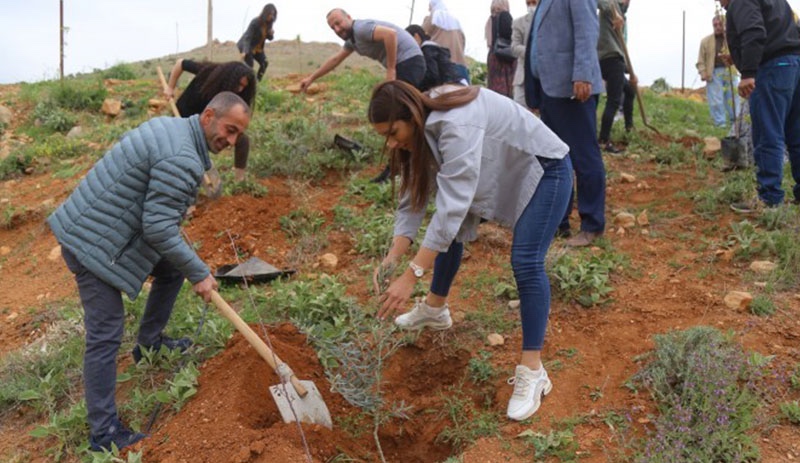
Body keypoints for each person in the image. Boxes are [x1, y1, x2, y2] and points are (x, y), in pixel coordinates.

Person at [47, 92, 251, 452]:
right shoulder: (182, 157)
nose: (231, 141)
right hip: (94, 246)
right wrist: (200, 273)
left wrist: (184, 256)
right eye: (229, 129)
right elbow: (157, 228)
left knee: (171, 268)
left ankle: (149, 344)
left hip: (96, 227)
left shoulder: (172, 128)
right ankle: (104, 433)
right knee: (105, 334)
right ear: (208, 116)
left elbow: (156, 212)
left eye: (238, 135)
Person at [368, 80, 572, 421]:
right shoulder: (422, 124)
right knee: (451, 233)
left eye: (393, 132)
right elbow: (412, 200)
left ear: (411, 115)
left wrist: (412, 274)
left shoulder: (454, 123)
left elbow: (451, 207)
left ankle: (533, 371)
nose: (391, 142)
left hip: (547, 171)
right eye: (384, 136)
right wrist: (392, 258)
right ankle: (435, 310)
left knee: (525, 261)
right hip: (500, 170)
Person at [524, 0, 606, 247]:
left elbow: (586, 31)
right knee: (555, 159)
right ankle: (559, 223)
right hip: (551, 90)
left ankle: (592, 225)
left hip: (573, 88)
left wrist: (582, 73)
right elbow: (537, 45)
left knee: (584, 157)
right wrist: (534, 91)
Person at [722, 0, 800, 213]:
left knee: (768, 134)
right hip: (793, 65)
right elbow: (788, 28)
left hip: (772, 69)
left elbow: (754, 31)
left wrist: (747, 72)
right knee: (796, 135)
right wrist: (740, 56)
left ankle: (770, 199)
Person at [166, 59, 256, 182]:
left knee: (243, 140)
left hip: (207, 123)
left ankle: (239, 180)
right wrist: (170, 88)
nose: (240, 89)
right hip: (183, 117)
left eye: (244, 87)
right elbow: (180, 63)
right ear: (230, 78)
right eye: (239, 84)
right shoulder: (207, 71)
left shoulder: (233, 95)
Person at [298, 8, 425, 92]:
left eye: (338, 23)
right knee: (400, 103)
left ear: (348, 17)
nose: (337, 29)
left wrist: (391, 70)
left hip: (409, 61)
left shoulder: (360, 28)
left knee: (398, 105)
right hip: (407, 63)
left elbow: (390, 34)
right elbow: (335, 60)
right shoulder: (352, 40)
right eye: (333, 28)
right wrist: (311, 79)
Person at [597, 0, 637, 154]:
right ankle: (603, 140)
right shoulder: (611, 5)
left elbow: (621, 46)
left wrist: (630, 71)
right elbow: (600, 3)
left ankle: (629, 128)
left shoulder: (622, 15)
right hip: (609, 59)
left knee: (630, 90)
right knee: (614, 100)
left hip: (616, 59)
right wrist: (613, 9)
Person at [696, 15, 741, 128]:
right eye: (715, 25)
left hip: (730, 71)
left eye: (720, 24)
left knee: (733, 98)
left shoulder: (732, 39)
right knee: (716, 100)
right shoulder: (705, 41)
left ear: (725, 24)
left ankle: (736, 124)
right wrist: (703, 72)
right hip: (714, 72)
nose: (717, 27)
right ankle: (719, 124)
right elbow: (700, 60)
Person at [405, 24, 465, 91]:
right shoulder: (434, 48)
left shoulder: (427, 50)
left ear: (416, 37)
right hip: (458, 85)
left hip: (451, 88)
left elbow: (432, 77)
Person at [422, 0, 470, 82]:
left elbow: (422, 36)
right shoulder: (457, 22)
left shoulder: (432, 18)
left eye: (429, 7)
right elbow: (463, 42)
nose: (429, 10)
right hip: (460, 65)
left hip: (440, 65)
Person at [237, 3, 278, 82]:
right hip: (247, 46)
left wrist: (271, 35)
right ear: (265, 13)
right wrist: (244, 51)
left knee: (264, 63)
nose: (271, 17)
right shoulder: (255, 22)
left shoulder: (269, 24)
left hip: (258, 48)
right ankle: (247, 84)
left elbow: (269, 38)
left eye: (273, 15)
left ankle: (258, 83)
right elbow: (247, 37)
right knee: (250, 66)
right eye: (270, 14)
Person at [485, 0, 516, 98]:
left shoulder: (489, 20)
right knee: (507, 92)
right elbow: (512, 37)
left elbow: (489, 43)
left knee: (495, 92)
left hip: (493, 57)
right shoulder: (505, 16)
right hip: (505, 58)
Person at [511, 0, 537, 106]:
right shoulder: (518, 23)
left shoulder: (550, 22)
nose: (531, 6)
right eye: (528, 3)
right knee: (518, 111)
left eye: (533, 3)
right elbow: (514, 47)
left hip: (544, 79)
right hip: (523, 78)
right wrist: (534, 52)